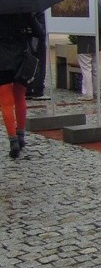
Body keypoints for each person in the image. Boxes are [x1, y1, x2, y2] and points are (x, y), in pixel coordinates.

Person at [0, 12, 44, 158]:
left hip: (2, 60)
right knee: (20, 98)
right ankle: (21, 136)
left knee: (6, 102)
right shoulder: (23, 8)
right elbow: (40, 32)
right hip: (21, 58)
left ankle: (13, 141)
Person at [75, 0, 101, 101]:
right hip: (97, 45)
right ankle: (97, 92)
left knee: (86, 69)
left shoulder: (81, 16)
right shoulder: (100, 18)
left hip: (83, 46)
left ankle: (88, 93)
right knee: (97, 69)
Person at [25, 11, 49, 101]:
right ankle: (37, 91)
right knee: (39, 65)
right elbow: (41, 31)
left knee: (29, 65)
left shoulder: (22, 9)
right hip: (37, 42)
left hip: (28, 42)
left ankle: (28, 90)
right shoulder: (37, 11)